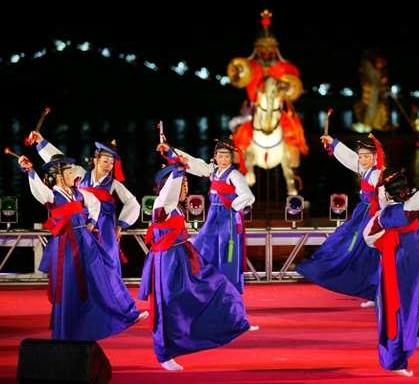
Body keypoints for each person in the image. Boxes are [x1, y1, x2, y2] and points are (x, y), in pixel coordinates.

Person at [138, 158, 258, 371]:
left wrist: (181, 169)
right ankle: (165, 354)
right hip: (167, 263)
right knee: (168, 307)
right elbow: (169, 193)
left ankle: (234, 322)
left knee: (218, 285)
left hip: (184, 258)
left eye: (186, 184)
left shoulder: (176, 209)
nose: (186, 188)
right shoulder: (162, 204)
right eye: (182, 184)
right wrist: (177, 172)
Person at [16, 153, 146, 340]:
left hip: (85, 239)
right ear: (60, 176)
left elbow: (95, 204)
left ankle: (124, 311)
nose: (73, 175)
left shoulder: (77, 193)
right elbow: (37, 188)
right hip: (67, 245)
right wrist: (29, 170)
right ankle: (70, 328)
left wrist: (91, 222)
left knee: (106, 270)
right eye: (69, 172)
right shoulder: (51, 195)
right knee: (70, 285)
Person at [363, 148, 419, 377]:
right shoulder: (408, 210)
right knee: (406, 303)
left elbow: (368, 237)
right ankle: (396, 359)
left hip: (397, 262)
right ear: (403, 192)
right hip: (407, 263)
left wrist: (387, 244)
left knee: (412, 297)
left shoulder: (383, 215)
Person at [30, 131, 140, 276]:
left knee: (108, 259)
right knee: (82, 260)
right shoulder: (80, 175)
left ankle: (111, 294)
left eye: (112, 162)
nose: (109, 166)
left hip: (105, 227)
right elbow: (61, 160)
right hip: (83, 223)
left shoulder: (114, 184)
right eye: (105, 161)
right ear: (96, 160)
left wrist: (120, 225)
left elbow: (132, 203)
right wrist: (41, 141)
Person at [296, 134, 386, 307]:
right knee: (355, 249)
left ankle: (378, 294)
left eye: (367, 156)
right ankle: (373, 293)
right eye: (361, 156)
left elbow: (383, 199)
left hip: (373, 215)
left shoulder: (376, 174)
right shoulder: (365, 169)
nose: (362, 159)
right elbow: (351, 159)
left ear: (375, 156)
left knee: (370, 253)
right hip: (363, 214)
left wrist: (380, 219)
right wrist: (334, 143)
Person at [157, 138, 254, 294]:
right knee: (202, 245)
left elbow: (248, 196)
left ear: (232, 158)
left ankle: (228, 288)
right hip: (213, 214)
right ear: (215, 156)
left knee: (225, 251)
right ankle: (208, 281)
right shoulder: (214, 171)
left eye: (227, 156)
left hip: (227, 217)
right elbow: (195, 164)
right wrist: (170, 150)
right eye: (220, 156)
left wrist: (232, 206)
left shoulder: (234, 174)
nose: (223, 160)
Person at [226, 9, 309, 169]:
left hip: (279, 110)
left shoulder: (285, 67)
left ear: (275, 48)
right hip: (253, 110)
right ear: (257, 49)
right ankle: (239, 168)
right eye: (262, 48)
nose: (266, 52)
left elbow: (295, 84)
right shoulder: (249, 66)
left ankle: (293, 171)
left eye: (270, 48)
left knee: (294, 131)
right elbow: (237, 77)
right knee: (240, 134)